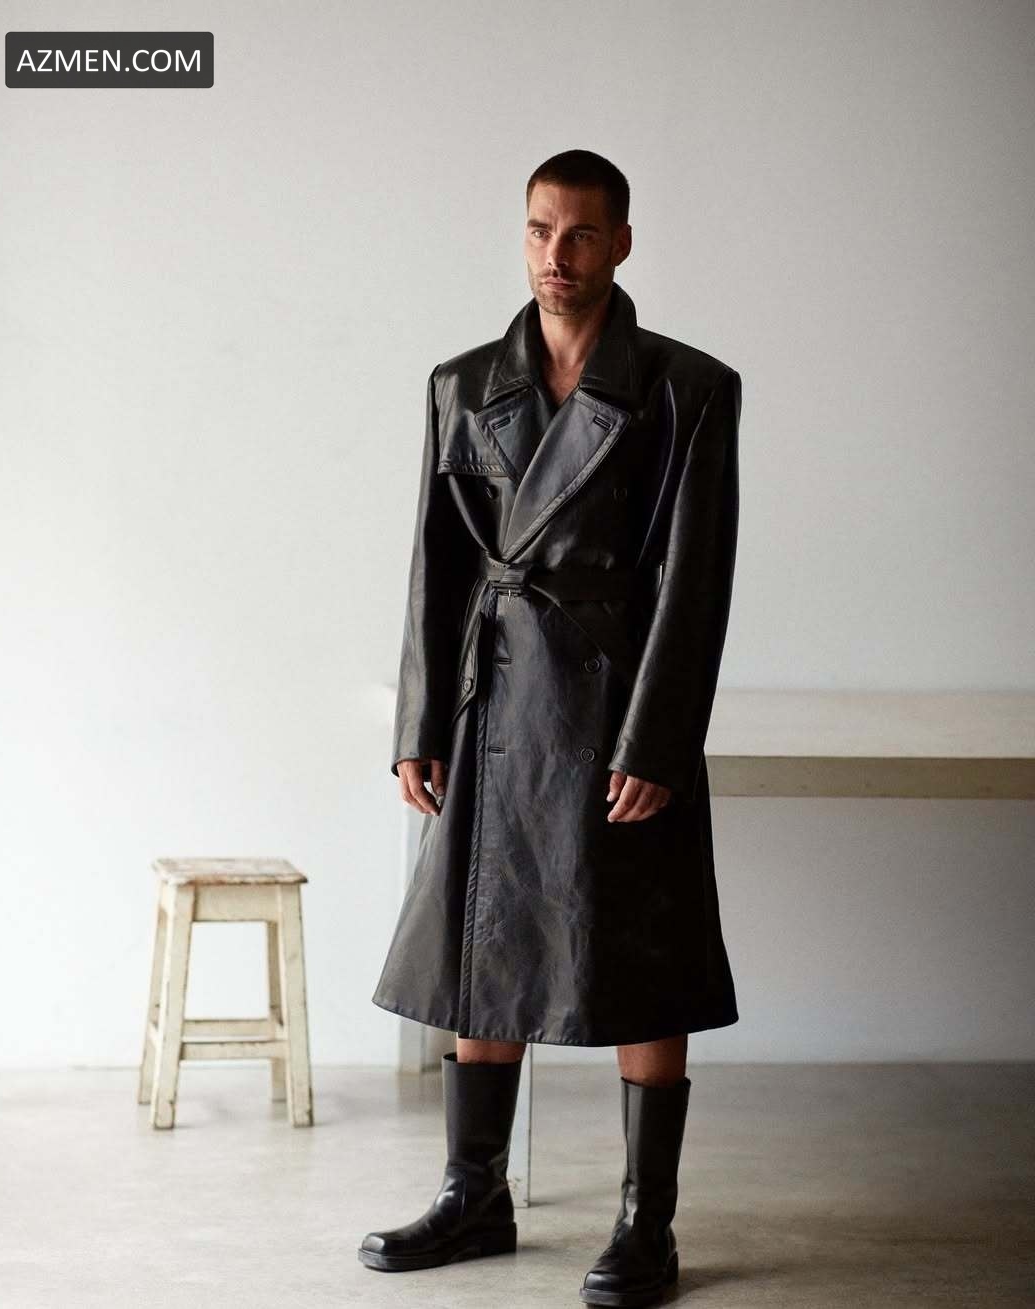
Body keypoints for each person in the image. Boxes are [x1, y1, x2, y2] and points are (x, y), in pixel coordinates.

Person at [359, 149, 742, 1308]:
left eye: (579, 234)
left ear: (621, 241)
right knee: (487, 939)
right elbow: (436, 562)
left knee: (647, 952)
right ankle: (475, 1190)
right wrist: (420, 719)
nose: (555, 257)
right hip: (496, 699)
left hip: (618, 703)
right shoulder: (463, 383)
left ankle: (646, 1222)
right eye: (538, 230)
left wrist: (657, 741)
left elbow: (695, 584)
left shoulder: (686, 388)